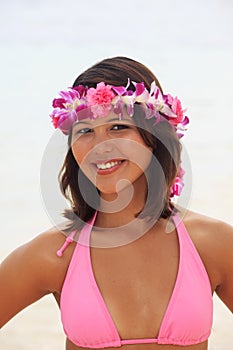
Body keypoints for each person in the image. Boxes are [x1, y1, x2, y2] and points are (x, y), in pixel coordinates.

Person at [0, 56, 233, 350]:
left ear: (153, 137)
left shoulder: (214, 244)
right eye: (85, 131)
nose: (100, 146)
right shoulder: (56, 254)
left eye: (118, 127)